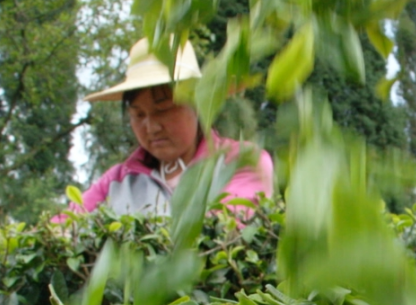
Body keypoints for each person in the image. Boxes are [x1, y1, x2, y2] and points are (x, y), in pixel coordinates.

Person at [57, 38, 273, 218]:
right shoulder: (115, 183)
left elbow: (224, 230)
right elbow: (62, 230)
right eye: (138, 115)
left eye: (163, 110)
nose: (151, 127)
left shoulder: (240, 162)